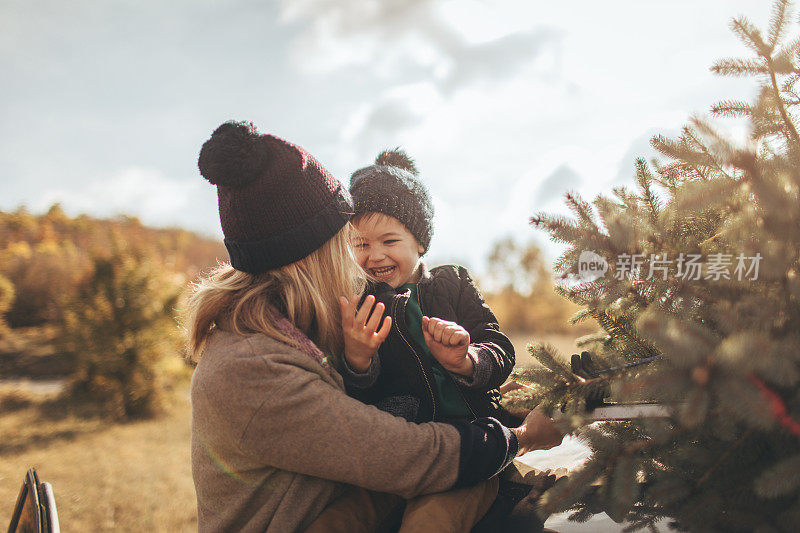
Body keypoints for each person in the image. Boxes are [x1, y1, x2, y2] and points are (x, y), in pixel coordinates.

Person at [186, 121, 564, 532]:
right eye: (351, 241)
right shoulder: (251, 367)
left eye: (387, 240)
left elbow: (488, 348)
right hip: (395, 478)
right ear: (310, 253)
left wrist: (474, 373)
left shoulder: (299, 322)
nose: (363, 258)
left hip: (398, 480)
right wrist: (523, 434)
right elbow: (402, 455)